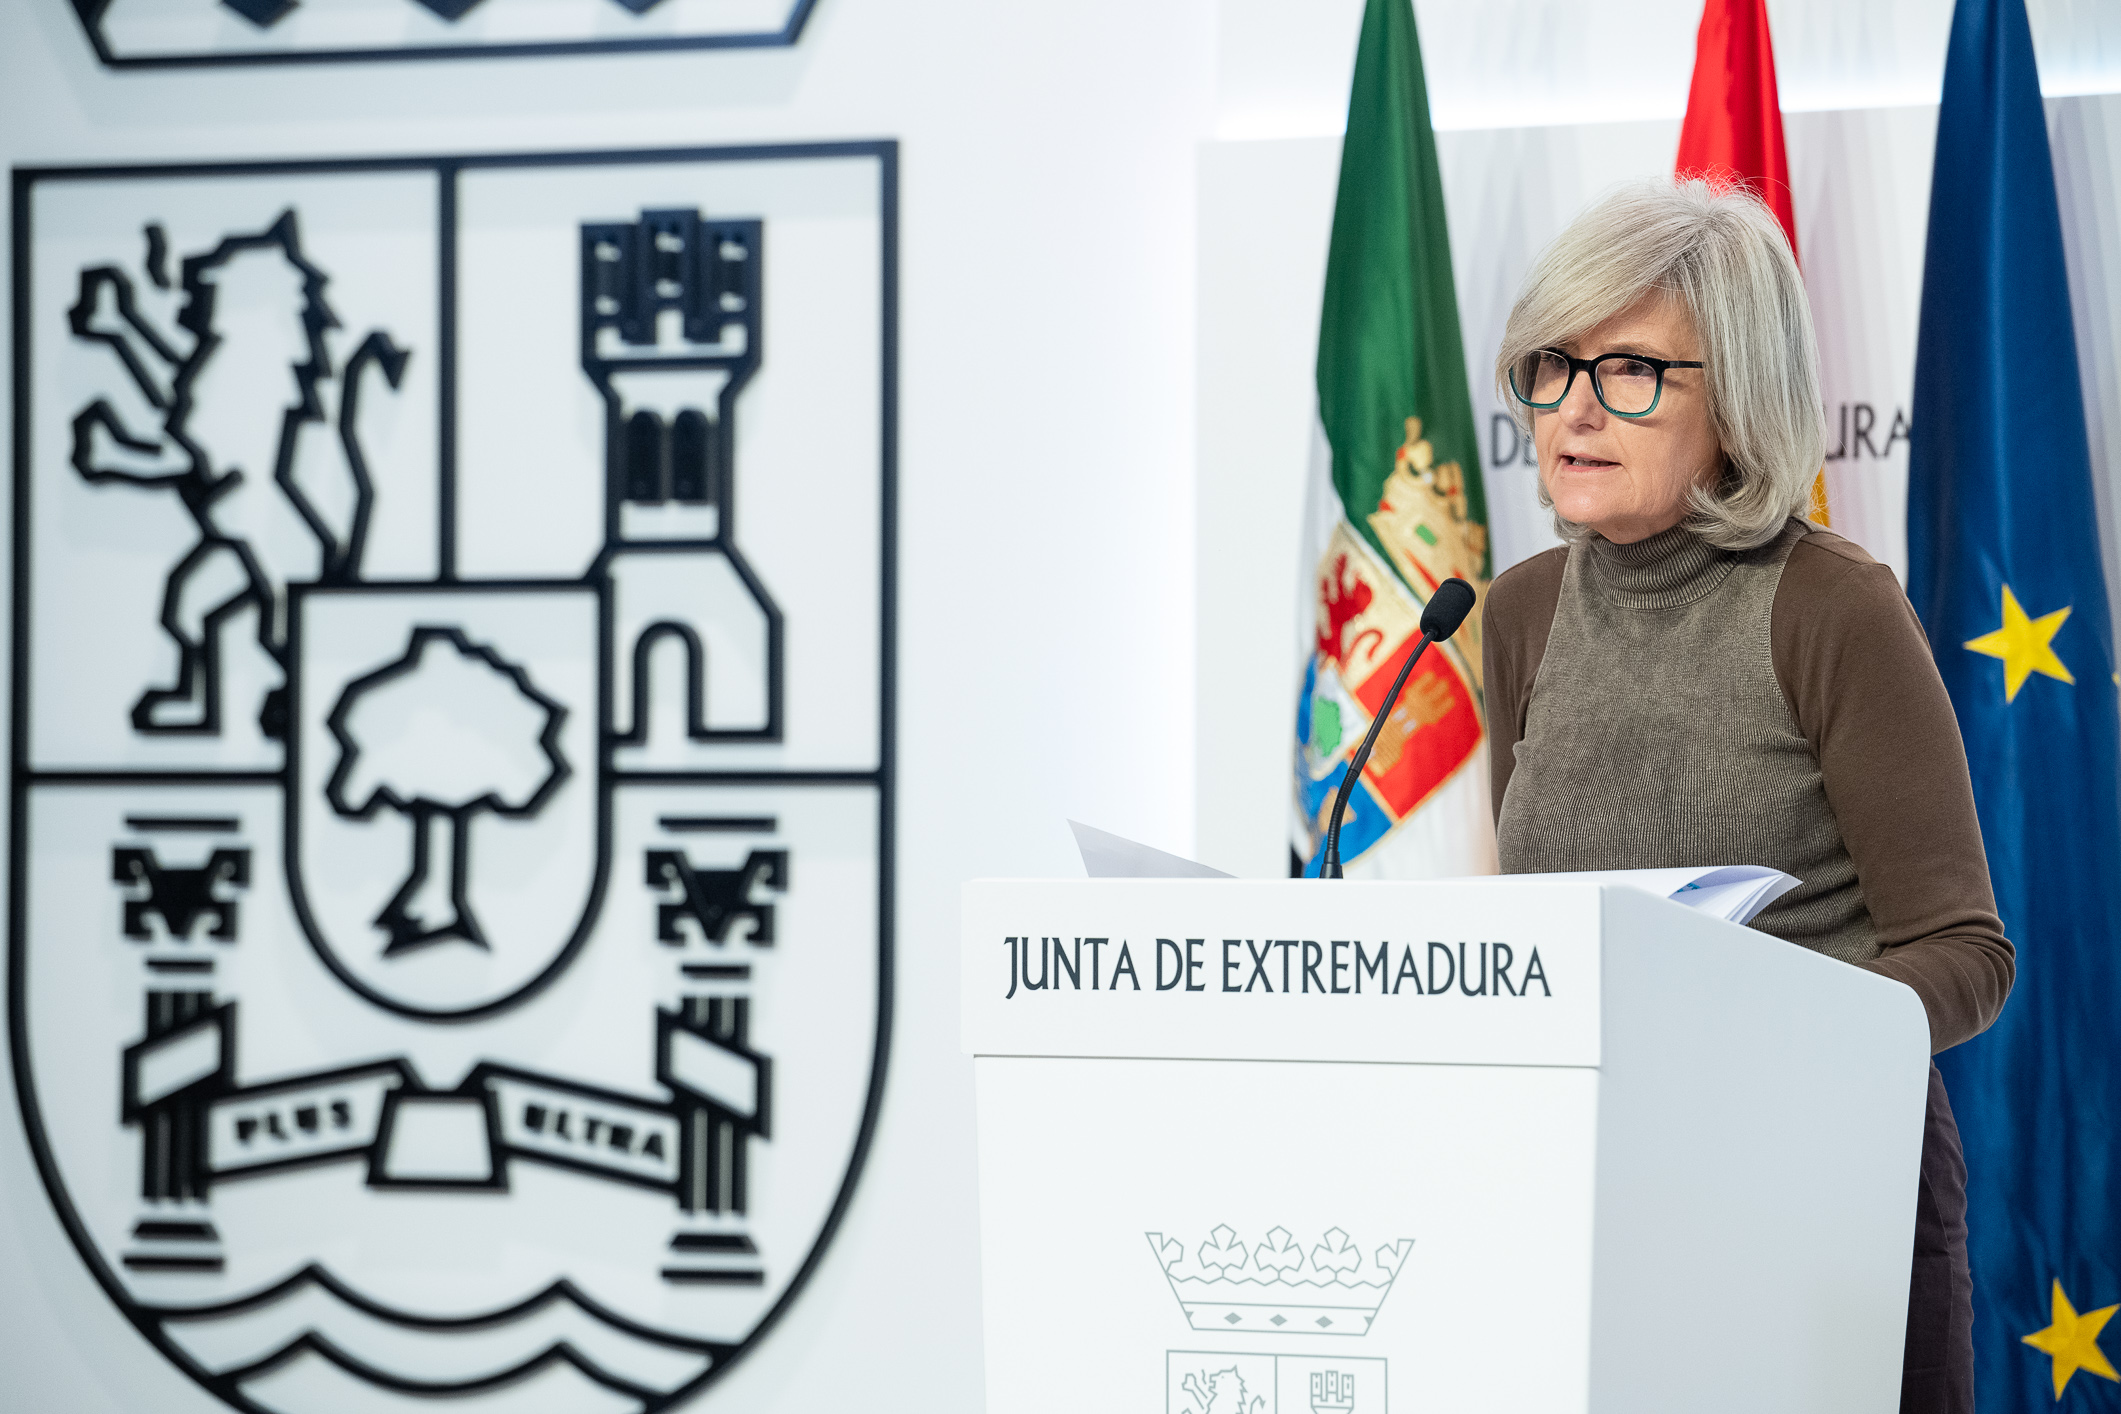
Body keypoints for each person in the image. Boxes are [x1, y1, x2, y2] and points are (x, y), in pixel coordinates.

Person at [1482, 178, 2013, 1414]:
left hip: (1826, 1196)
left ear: (1738, 400)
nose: (1575, 408)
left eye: (1630, 374)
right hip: (1598, 1190)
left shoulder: (1832, 607)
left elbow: (1966, 952)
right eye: (1553, 367)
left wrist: (1766, 1045)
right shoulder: (1516, 615)